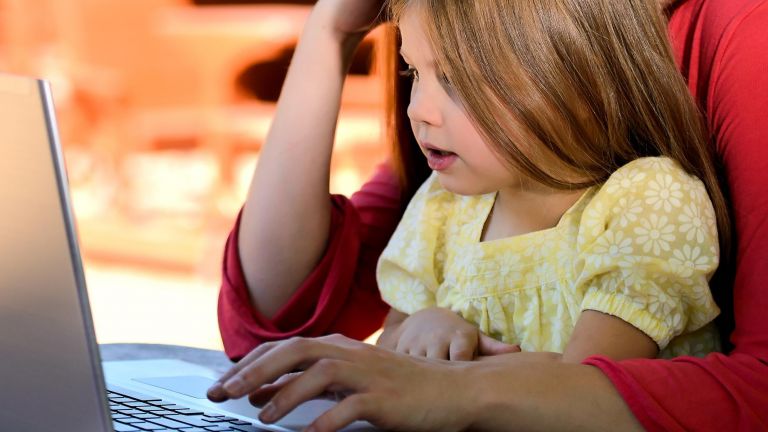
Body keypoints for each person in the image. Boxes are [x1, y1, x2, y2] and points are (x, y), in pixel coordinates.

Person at [213, 0, 768, 430]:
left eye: (454, 80)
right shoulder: (459, 189)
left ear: (572, 67)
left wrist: (451, 386)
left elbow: (586, 386)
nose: (418, 111)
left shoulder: (648, 193)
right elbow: (278, 323)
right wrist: (331, 28)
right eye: (413, 75)